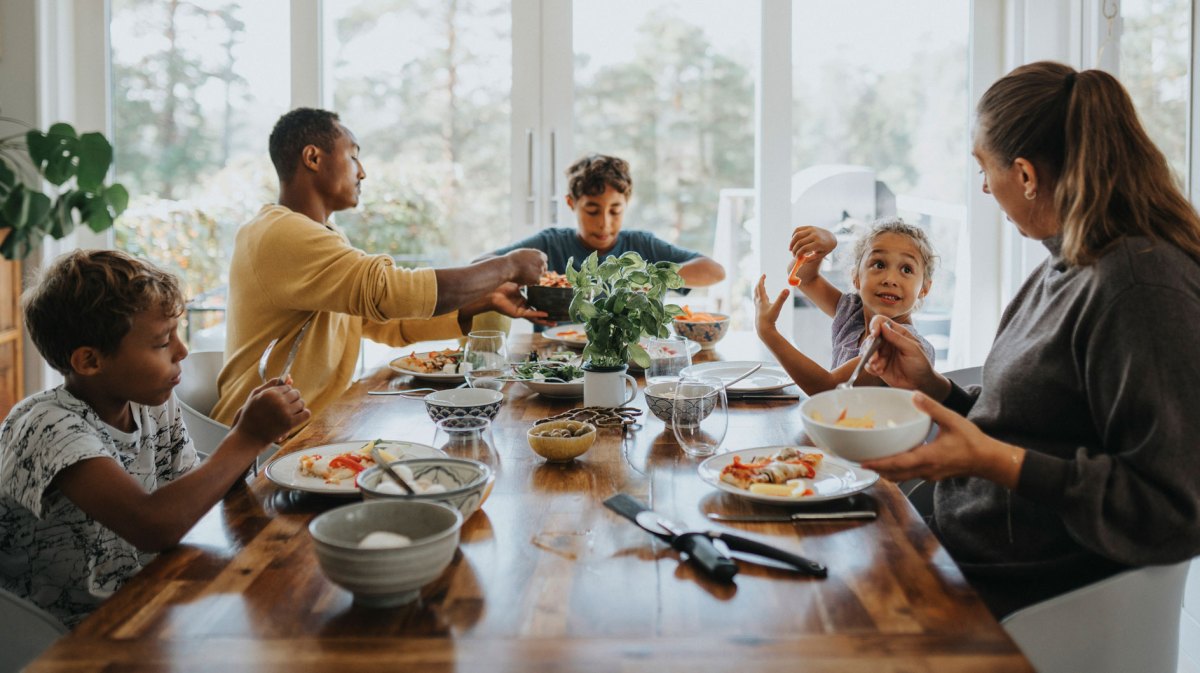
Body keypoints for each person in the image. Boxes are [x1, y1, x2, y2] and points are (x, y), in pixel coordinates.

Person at [857, 61, 1200, 619]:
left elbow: (1172, 506)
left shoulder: (1141, 288)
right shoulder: (1069, 263)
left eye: (983, 168)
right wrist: (936, 389)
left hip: (1022, 594)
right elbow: (1034, 427)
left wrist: (998, 463)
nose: (984, 186)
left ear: (1025, 174)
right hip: (966, 546)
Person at [0, 250, 310, 627]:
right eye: (162, 342)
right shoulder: (47, 427)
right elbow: (152, 525)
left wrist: (245, 435)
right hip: (62, 637)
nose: (181, 351)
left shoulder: (150, 403)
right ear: (90, 361)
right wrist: (246, 439)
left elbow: (190, 501)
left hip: (149, 599)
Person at [212, 108, 550, 425]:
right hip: (262, 445)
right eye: (353, 155)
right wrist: (506, 266)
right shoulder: (281, 234)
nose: (362, 171)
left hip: (317, 426)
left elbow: (386, 322)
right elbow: (391, 293)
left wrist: (486, 299)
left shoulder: (322, 235)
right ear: (313, 157)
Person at [752, 217, 937, 394]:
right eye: (879, 265)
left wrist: (768, 333)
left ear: (924, 288)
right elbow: (803, 277)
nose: (890, 280)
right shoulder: (853, 313)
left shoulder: (902, 345)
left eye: (906, 269)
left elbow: (829, 389)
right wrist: (825, 245)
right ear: (856, 277)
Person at [479, 154, 725, 287]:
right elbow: (478, 264)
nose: (604, 224)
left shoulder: (641, 246)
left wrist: (648, 277)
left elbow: (714, 271)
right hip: (557, 359)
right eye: (593, 211)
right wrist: (512, 271)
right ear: (571, 203)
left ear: (626, 204)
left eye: (615, 211)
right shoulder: (550, 244)